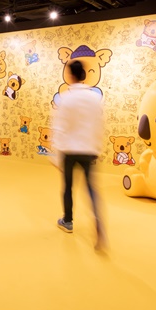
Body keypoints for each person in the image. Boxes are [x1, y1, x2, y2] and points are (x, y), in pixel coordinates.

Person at [51, 59, 107, 250]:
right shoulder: (94, 98)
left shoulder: (66, 98)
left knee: (68, 186)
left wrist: (55, 156)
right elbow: (99, 125)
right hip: (89, 148)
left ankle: (67, 221)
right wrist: (97, 148)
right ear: (83, 75)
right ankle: (98, 221)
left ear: (70, 75)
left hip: (69, 150)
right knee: (91, 187)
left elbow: (59, 128)